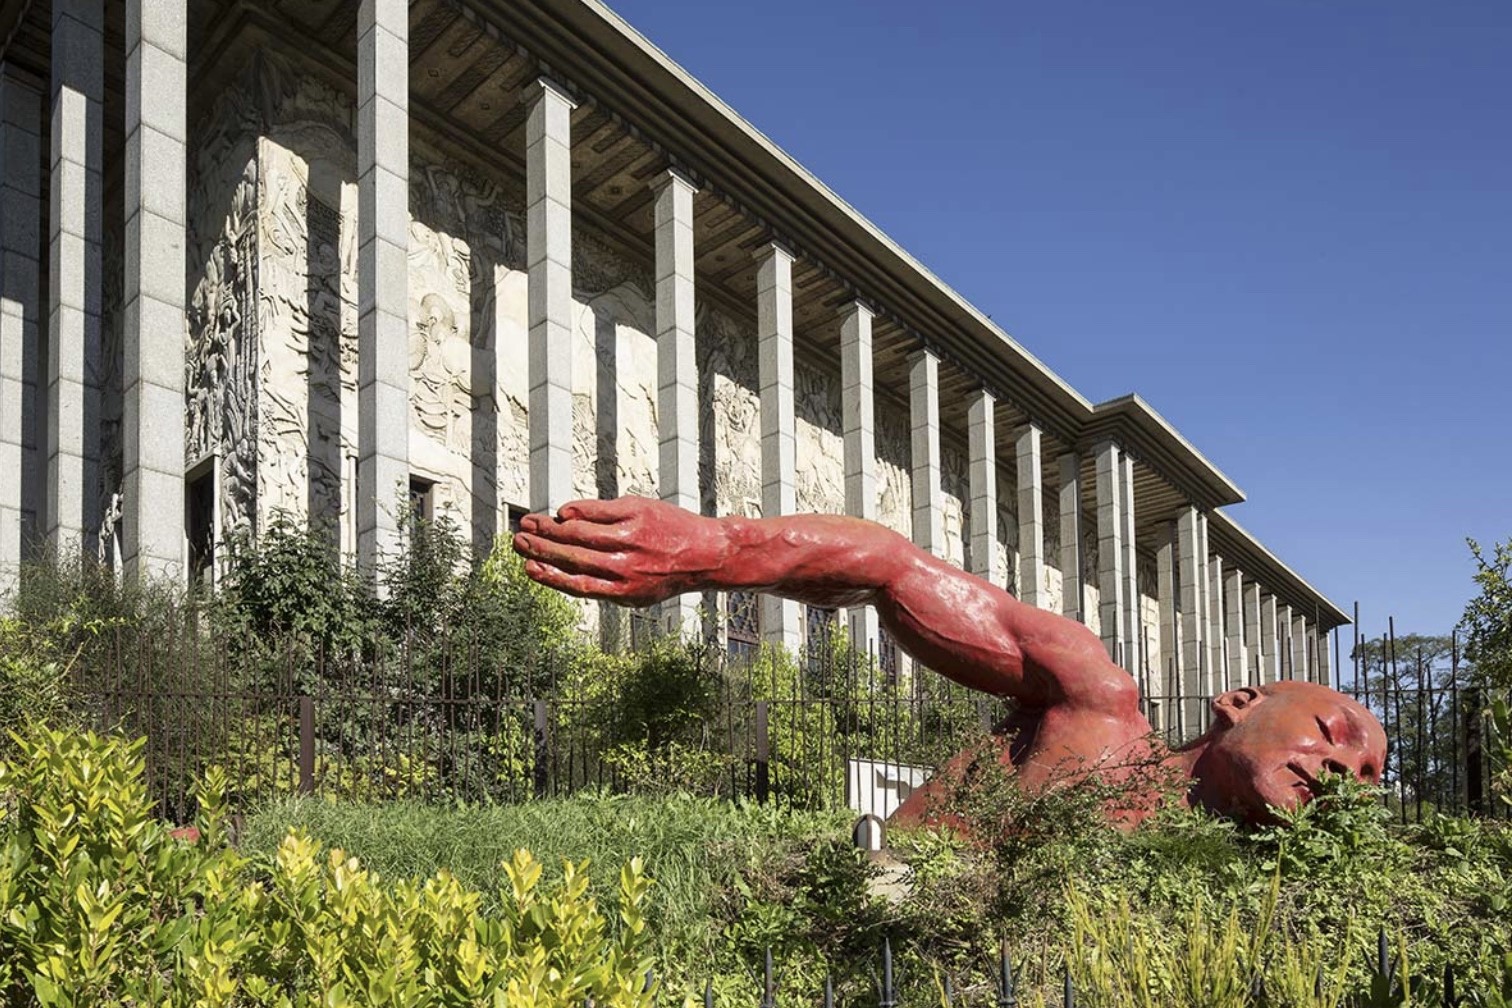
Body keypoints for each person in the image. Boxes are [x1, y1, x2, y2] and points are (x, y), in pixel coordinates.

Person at [513, 496, 1386, 826]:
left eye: (1368, 773)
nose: (1345, 766)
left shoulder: (1272, 901)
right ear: (1238, 699)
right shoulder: (1093, 707)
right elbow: (893, 566)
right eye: (1335, 732)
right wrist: (716, 551)